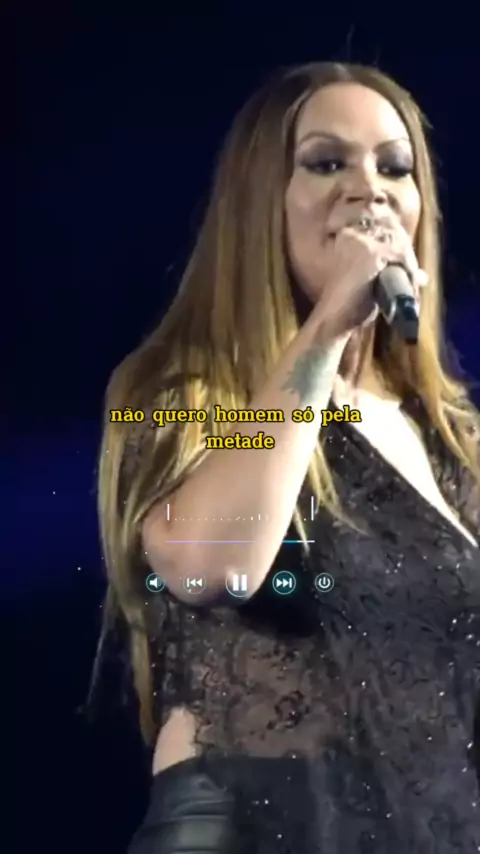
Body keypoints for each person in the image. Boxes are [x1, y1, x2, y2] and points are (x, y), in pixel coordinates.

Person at [95, 62, 480, 853]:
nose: (368, 190)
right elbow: (216, 560)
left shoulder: (451, 440)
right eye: (327, 162)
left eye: (394, 168)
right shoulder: (185, 396)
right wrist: (327, 329)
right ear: (260, 202)